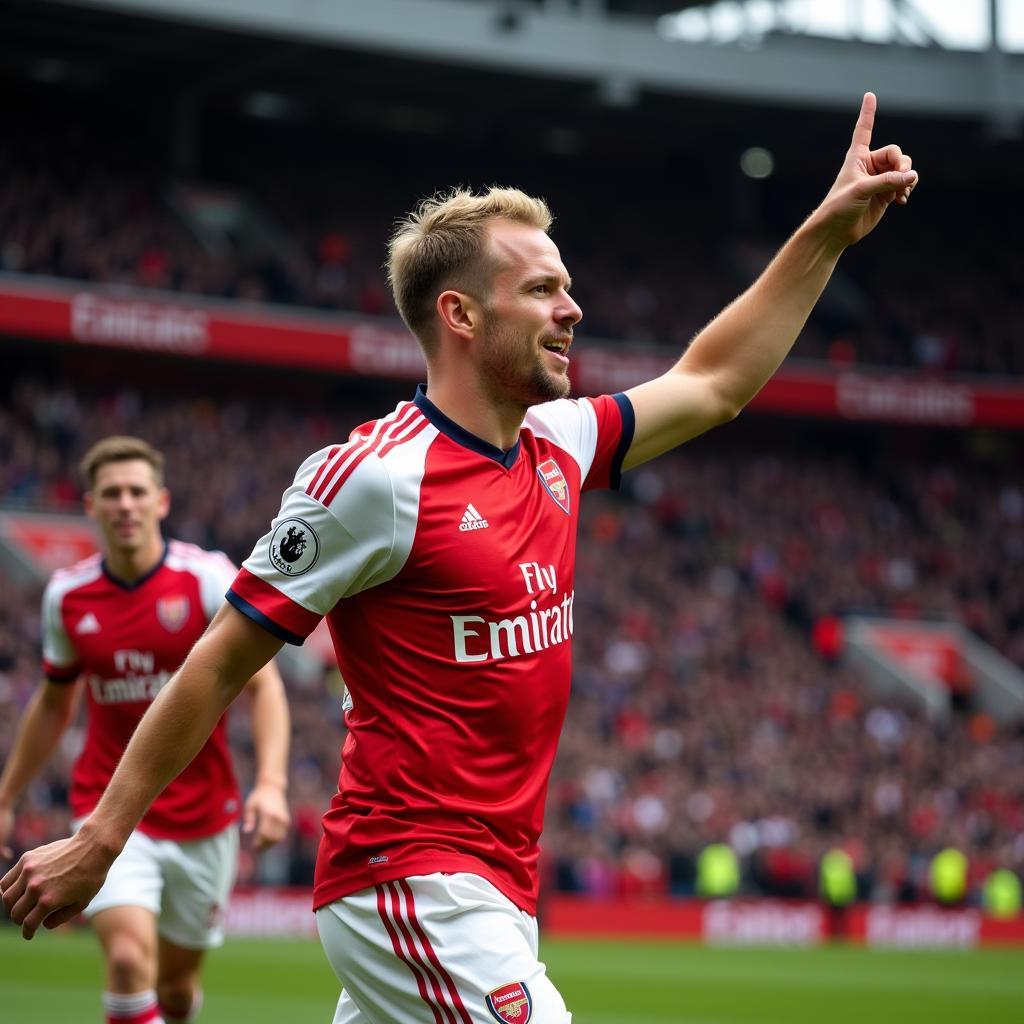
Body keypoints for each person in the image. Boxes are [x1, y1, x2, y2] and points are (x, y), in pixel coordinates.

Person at [3, 94, 915, 1022]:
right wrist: (101, 840)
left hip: (498, 884)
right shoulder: (373, 478)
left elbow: (714, 383)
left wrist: (826, 234)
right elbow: (219, 662)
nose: (573, 308)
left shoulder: (558, 443)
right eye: (541, 290)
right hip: (407, 873)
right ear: (461, 315)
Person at [0, 436, 291, 1024]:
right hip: (108, 809)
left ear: (161, 501)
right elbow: (55, 705)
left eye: (137, 492)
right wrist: (6, 797)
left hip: (204, 816)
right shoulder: (67, 596)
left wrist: (273, 783)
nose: (125, 504)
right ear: (91, 507)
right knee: (129, 962)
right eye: (112, 494)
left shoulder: (207, 579)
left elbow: (264, 687)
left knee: (177, 990)